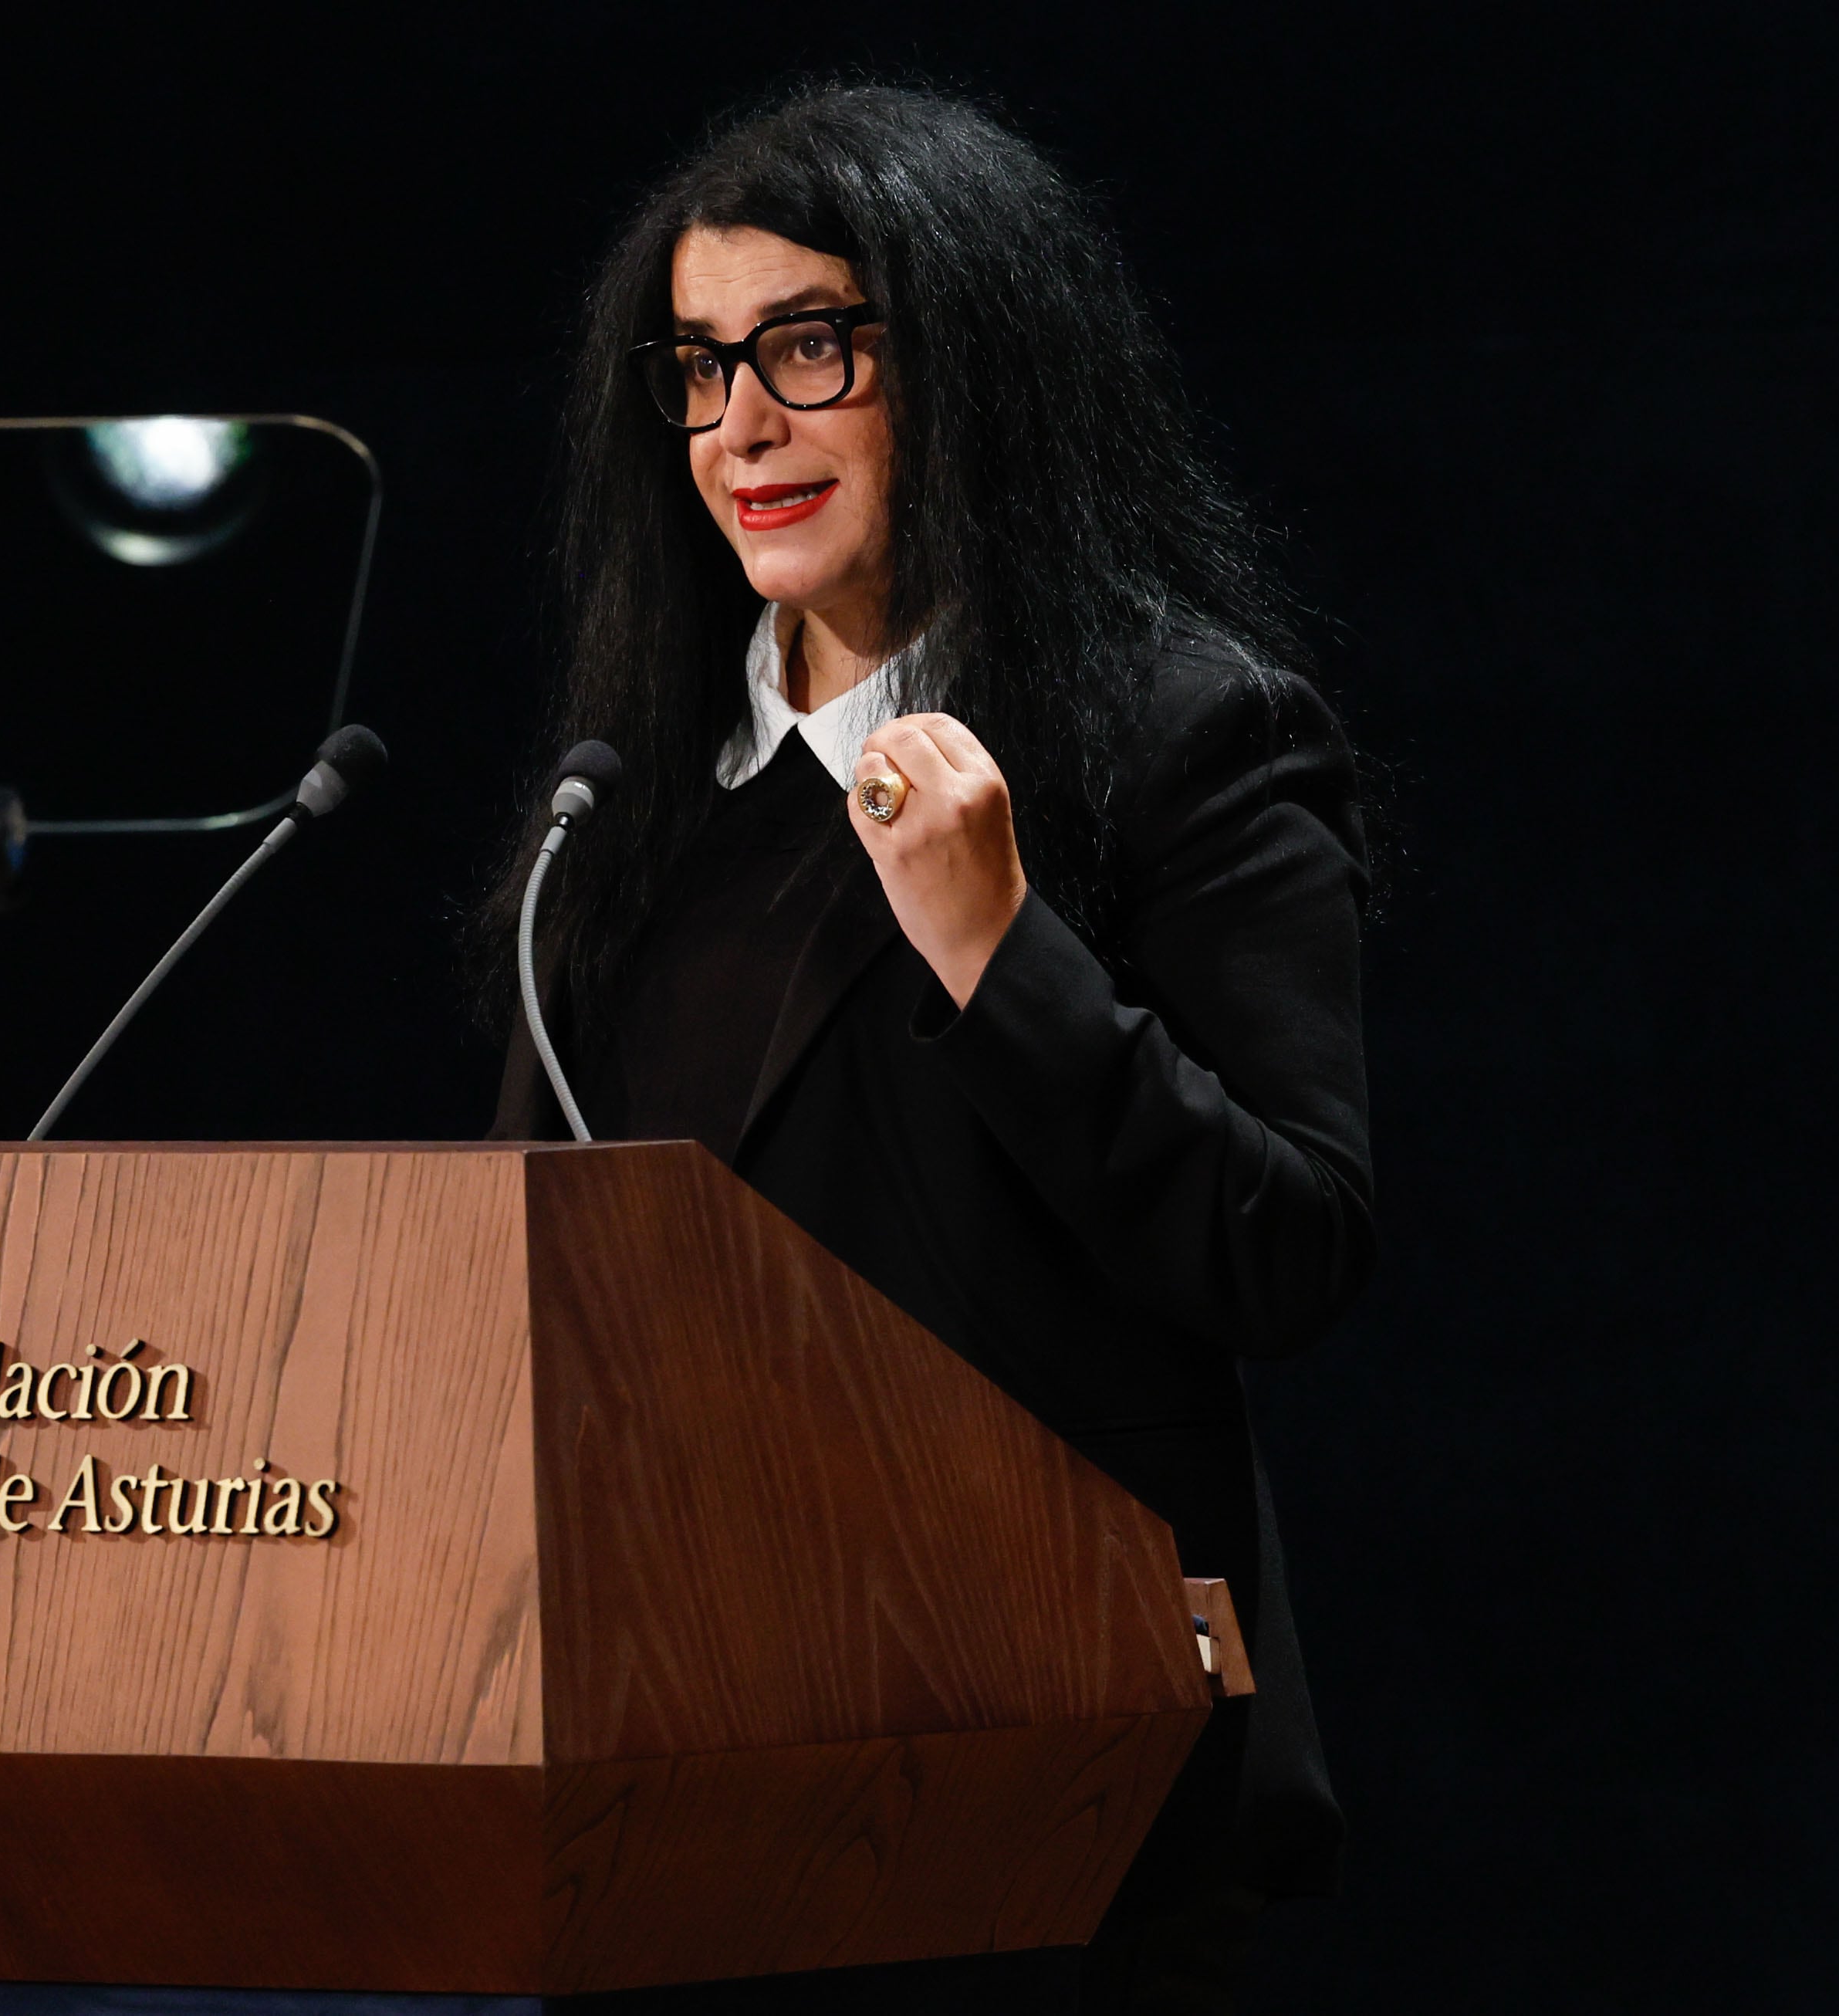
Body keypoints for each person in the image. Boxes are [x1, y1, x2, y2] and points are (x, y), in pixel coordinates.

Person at [485, 83, 1377, 2016]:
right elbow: (524, 1302)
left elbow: (1288, 1243)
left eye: (810, 345)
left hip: (1050, 1783)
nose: (743, 426)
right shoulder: (623, 809)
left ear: (970, 361)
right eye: (703, 367)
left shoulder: (1180, 736)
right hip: (682, 1781)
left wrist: (997, 948)